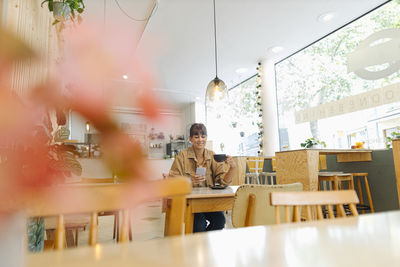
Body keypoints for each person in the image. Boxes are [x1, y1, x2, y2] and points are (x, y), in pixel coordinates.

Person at [168, 123, 236, 232]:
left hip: (208, 202)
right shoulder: (182, 155)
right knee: (199, 224)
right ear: (190, 139)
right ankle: (198, 244)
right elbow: (172, 180)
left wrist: (232, 168)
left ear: (206, 138)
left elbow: (223, 182)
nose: (200, 140)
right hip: (189, 203)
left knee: (220, 220)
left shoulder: (212, 155)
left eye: (203, 136)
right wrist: (189, 180)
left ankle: (205, 243)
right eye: (196, 137)